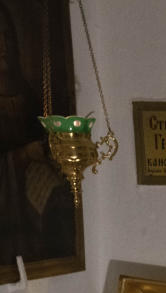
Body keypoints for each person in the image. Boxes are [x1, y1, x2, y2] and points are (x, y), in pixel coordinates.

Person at [0, 3, 74, 268]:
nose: (4, 45)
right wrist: (21, 156)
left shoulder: (28, 94)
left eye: (7, 35)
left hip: (34, 197)